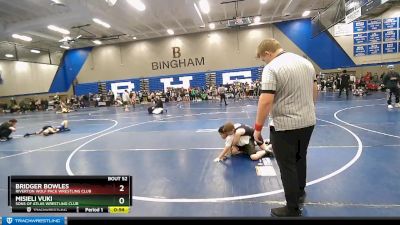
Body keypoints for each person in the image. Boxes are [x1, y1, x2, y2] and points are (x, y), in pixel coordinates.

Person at [253, 39, 317, 217]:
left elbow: (265, 101)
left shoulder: (272, 68)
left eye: (263, 59)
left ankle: (292, 208)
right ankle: (300, 190)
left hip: (284, 126)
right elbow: (314, 90)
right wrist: (308, 109)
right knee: (300, 157)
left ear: (267, 53)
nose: (264, 62)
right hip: (308, 121)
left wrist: (257, 128)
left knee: (287, 166)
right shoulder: (306, 63)